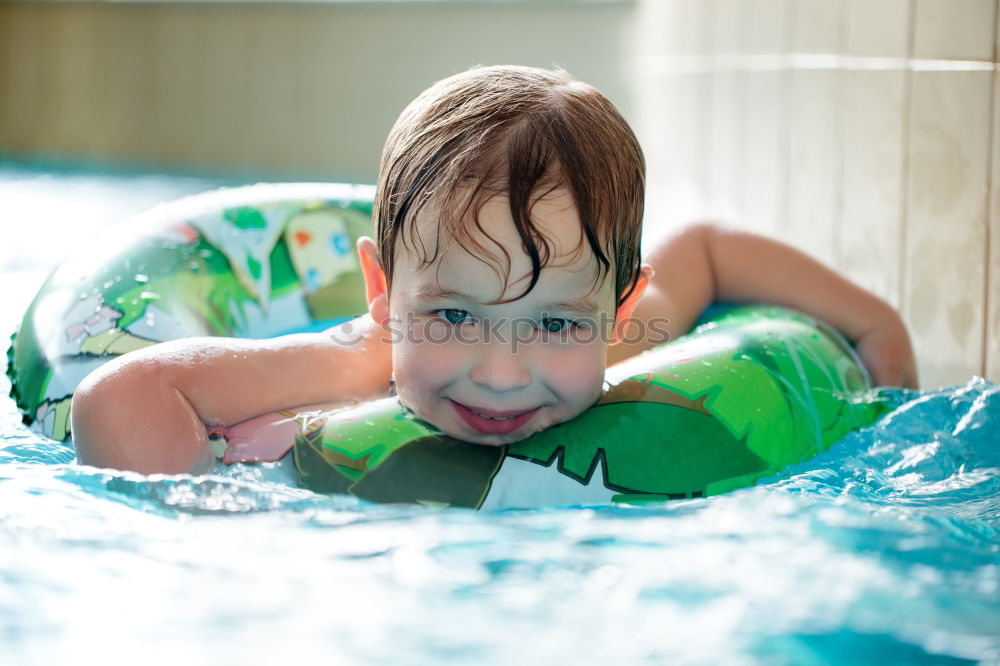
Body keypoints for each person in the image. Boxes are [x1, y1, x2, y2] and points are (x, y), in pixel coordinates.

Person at [71, 65, 917, 475]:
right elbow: (119, 395)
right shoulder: (356, 361)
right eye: (452, 317)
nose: (503, 372)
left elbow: (703, 248)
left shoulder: (617, 347)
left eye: (553, 324)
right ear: (382, 293)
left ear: (619, 313)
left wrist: (877, 327)